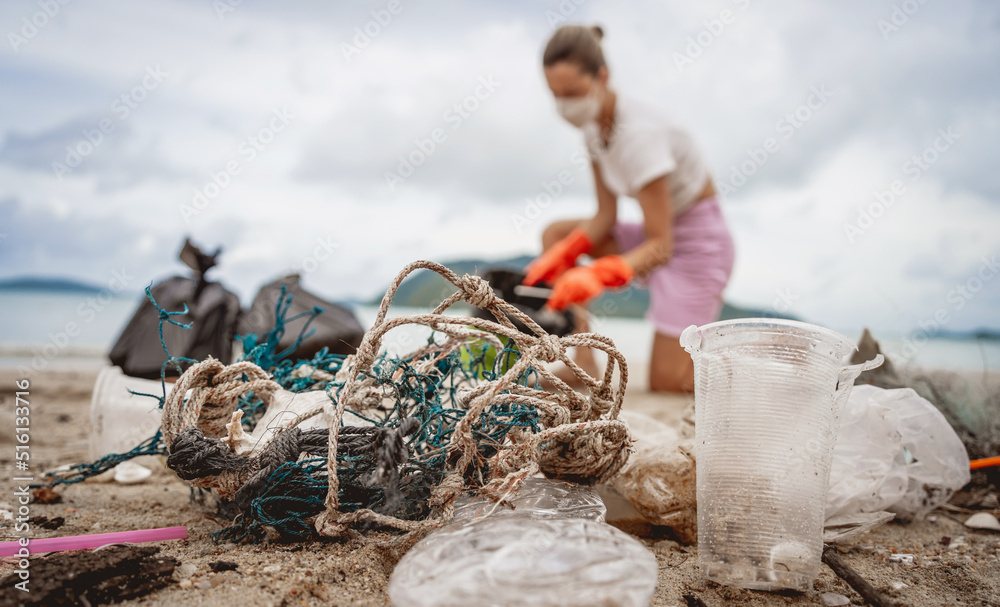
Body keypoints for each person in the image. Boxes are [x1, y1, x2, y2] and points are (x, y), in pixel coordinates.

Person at [524, 24, 735, 393]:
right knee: (555, 233)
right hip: (659, 230)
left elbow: (660, 246)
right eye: (555, 95)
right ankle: (581, 361)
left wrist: (598, 276)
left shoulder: (640, 135)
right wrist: (566, 253)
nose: (564, 106)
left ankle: (752, 369)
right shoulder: (592, 130)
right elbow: (606, 216)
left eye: (572, 93)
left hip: (699, 246)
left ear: (601, 77)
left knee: (668, 384)